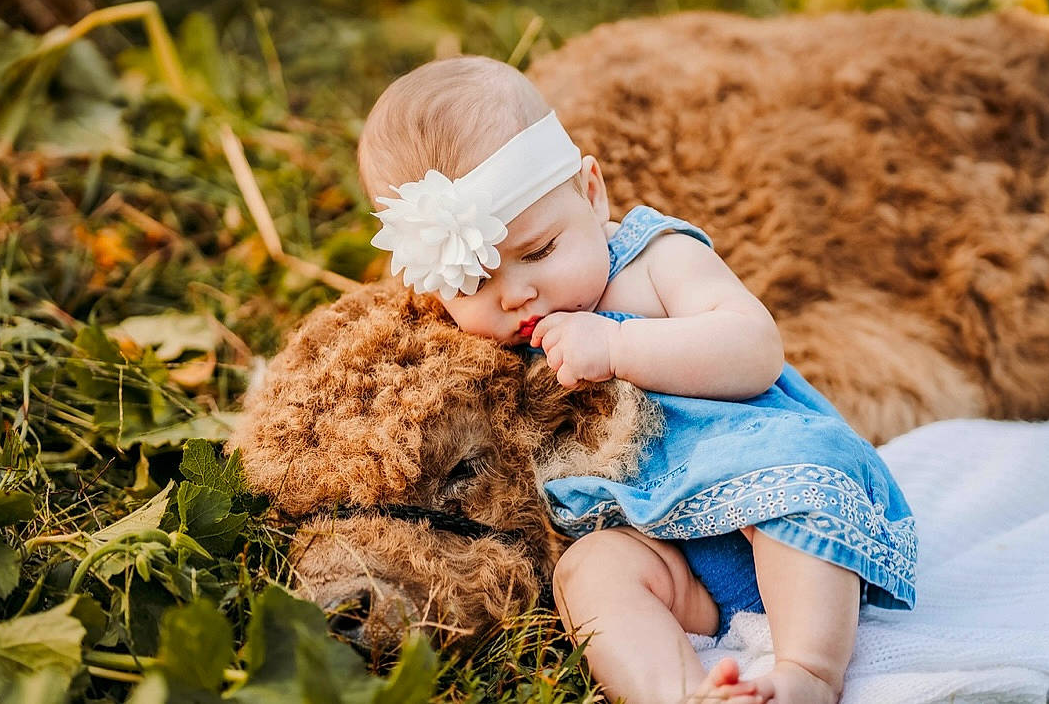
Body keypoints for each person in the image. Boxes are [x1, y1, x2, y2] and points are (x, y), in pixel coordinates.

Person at [358, 55, 916, 704]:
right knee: (590, 571)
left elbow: (753, 348)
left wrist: (619, 342)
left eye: (539, 252)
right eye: (472, 280)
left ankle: (806, 674)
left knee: (805, 482)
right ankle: (681, 691)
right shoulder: (479, 343)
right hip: (670, 550)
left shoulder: (653, 259)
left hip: (768, 492)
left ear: (591, 194)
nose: (518, 294)